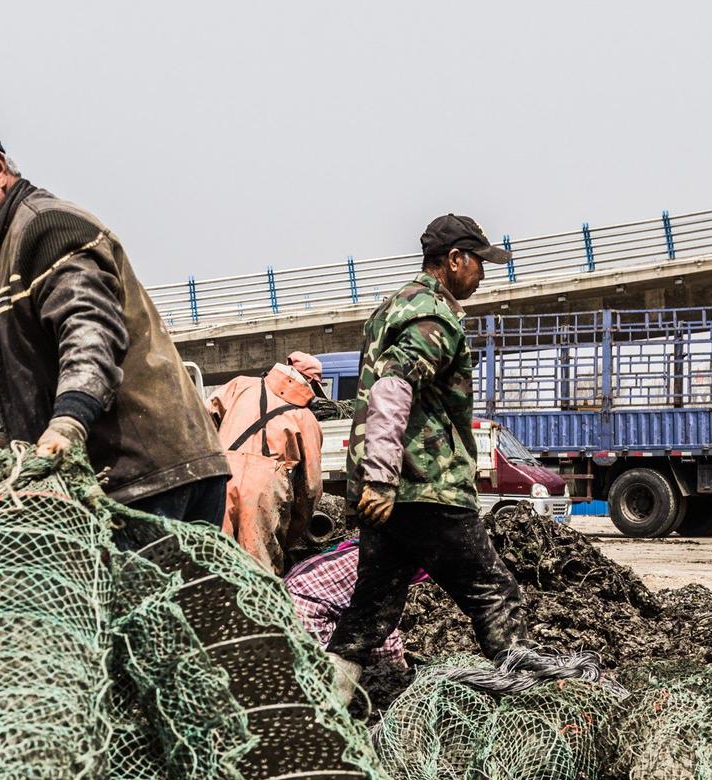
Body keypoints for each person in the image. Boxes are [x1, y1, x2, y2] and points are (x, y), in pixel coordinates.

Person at [0, 114, 228, 521]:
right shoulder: (4, 252)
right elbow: (37, 372)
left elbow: (89, 334)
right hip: (121, 480)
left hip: (147, 477)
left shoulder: (47, 228)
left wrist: (68, 423)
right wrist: (8, 437)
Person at [324, 215, 522, 699]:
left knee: (371, 609)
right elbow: (393, 387)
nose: (482, 273)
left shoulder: (392, 307)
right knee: (494, 593)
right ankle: (529, 707)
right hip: (425, 487)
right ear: (454, 260)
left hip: (393, 496)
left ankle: (326, 707)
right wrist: (384, 478)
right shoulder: (434, 315)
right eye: (478, 262)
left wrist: (376, 483)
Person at [208, 353, 326, 572]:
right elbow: (310, 487)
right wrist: (292, 533)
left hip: (221, 477)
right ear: (310, 383)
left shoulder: (239, 385)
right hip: (265, 492)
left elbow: (202, 418)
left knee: (214, 563)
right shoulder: (306, 419)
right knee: (259, 573)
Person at [287, 540, 409, 669]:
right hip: (303, 619)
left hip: (280, 605)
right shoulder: (385, 566)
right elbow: (378, 625)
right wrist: (400, 670)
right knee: (346, 664)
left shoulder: (364, 549)